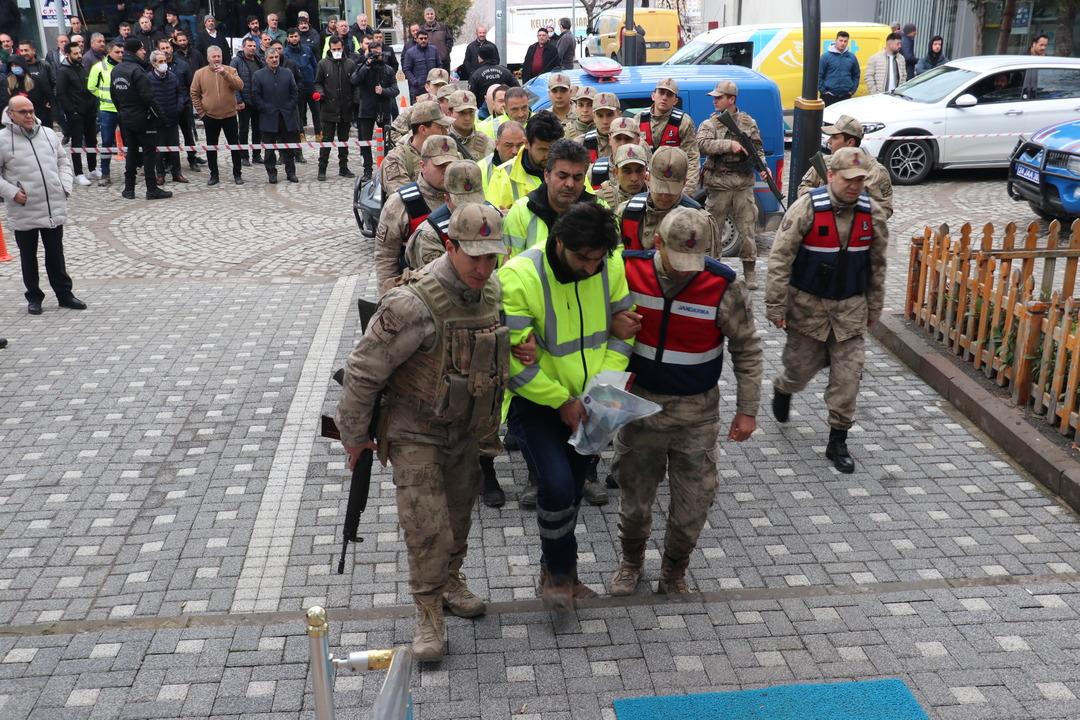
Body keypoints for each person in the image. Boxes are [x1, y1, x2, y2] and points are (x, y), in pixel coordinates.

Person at [336, 201, 508, 661]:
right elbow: (363, 371)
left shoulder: (491, 292)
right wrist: (354, 436)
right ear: (450, 246)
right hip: (416, 433)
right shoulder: (412, 302)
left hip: (465, 432)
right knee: (427, 527)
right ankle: (428, 612)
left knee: (457, 519)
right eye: (475, 256)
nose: (484, 267)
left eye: (492, 256)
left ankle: (451, 581)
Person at [611, 206, 761, 596]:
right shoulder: (626, 271)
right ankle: (631, 562)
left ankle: (675, 570)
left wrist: (748, 409)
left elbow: (747, 348)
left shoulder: (722, 284)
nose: (685, 271)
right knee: (635, 502)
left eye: (693, 261)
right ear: (656, 242)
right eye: (677, 260)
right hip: (639, 407)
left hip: (696, 414)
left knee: (693, 505)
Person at [500, 198, 633, 610]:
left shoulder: (609, 265)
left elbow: (622, 334)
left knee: (572, 491)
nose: (592, 267)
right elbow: (513, 364)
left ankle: (560, 571)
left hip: (593, 402)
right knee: (556, 485)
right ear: (559, 242)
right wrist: (560, 400)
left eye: (598, 258)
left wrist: (601, 390)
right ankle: (559, 576)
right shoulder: (519, 277)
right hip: (535, 403)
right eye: (583, 258)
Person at [766, 147, 889, 474]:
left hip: (850, 312)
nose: (854, 185)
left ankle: (838, 440)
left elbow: (877, 266)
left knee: (848, 379)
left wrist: (874, 307)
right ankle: (783, 387)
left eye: (860, 180)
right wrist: (775, 305)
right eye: (848, 179)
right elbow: (780, 259)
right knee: (798, 372)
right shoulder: (806, 208)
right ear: (831, 176)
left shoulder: (872, 214)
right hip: (807, 312)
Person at [0, 96, 85, 315]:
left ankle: (64, 295)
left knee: (56, 254)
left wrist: (64, 186)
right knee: (28, 257)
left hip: (52, 205)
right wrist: (12, 192)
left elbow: (63, 162)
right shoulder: (2, 140)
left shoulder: (48, 134)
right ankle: (34, 296)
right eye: (23, 112)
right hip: (23, 208)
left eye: (31, 110)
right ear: (11, 114)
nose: (29, 115)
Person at [698, 79, 765, 288]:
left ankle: (749, 271)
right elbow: (701, 144)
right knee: (713, 230)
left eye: (719, 98)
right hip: (718, 183)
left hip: (743, 183)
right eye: (715, 97)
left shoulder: (748, 122)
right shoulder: (711, 124)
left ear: (731, 99)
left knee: (747, 229)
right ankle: (713, 268)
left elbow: (757, 148)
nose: (714, 101)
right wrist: (729, 145)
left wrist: (763, 166)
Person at [375, 134, 460, 294]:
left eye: (451, 165)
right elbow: (385, 258)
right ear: (423, 165)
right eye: (440, 166)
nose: (447, 171)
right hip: (415, 295)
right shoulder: (400, 203)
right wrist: (388, 298)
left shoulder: (467, 197)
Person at [502, 137, 604, 258]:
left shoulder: (601, 211)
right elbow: (511, 267)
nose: (570, 184)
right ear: (546, 175)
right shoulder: (521, 212)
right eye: (562, 176)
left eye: (577, 178)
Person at [796, 114, 893, 218]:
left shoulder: (876, 171)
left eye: (835, 137)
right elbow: (802, 189)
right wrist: (825, 194)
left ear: (850, 142)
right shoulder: (824, 162)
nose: (829, 141)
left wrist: (853, 204)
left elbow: (884, 209)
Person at [111, 39, 170, 200]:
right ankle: (151, 189)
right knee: (149, 153)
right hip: (143, 118)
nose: (144, 52)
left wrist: (123, 111)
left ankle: (129, 188)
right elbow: (149, 98)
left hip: (125, 117)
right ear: (135, 51)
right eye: (142, 49)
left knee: (131, 152)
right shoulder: (138, 71)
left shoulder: (116, 70)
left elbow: (114, 96)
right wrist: (163, 118)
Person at [616, 147, 703, 253]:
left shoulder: (699, 220)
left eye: (671, 191)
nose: (664, 197)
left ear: (684, 183)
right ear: (648, 179)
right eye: (659, 189)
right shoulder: (625, 212)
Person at [486, 110, 564, 211]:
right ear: (526, 143)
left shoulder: (571, 168)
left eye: (553, 148)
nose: (548, 155)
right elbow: (491, 219)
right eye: (542, 149)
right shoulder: (503, 175)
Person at [190, 45, 245, 186]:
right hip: (210, 116)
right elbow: (194, 93)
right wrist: (201, 113)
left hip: (230, 115)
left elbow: (240, 85)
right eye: (213, 56)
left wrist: (224, 74)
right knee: (211, 147)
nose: (216, 59)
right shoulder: (200, 73)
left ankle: (237, 174)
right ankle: (214, 175)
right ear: (208, 58)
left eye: (218, 56)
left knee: (235, 146)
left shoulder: (230, 70)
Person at [633, 78, 698, 192]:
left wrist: (687, 191)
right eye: (661, 93)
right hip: (643, 185)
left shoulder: (684, 122)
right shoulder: (638, 119)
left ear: (675, 101)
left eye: (669, 95)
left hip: (672, 185)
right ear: (653, 96)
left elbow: (692, 158)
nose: (664, 97)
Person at [352, 37, 398, 182]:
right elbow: (354, 80)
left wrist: (383, 91)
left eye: (378, 53)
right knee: (364, 141)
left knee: (387, 141)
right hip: (366, 109)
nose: (376, 56)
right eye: (373, 53)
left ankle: (386, 168)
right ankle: (367, 170)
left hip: (383, 109)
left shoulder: (388, 69)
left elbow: (395, 90)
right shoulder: (363, 65)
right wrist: (367, 64)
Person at [381, 100, 449, 195]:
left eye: (446, 127)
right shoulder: (396, 158)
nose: (445, 132)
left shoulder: (450, 153)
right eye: (440, 127)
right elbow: (406, 199)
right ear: (423, 129)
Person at [252, 47, 298, 184]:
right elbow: (256, 96)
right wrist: (266, 108)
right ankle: (272, 173)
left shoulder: (287, 73)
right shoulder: (258, 75)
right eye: (271, 58)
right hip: (268, 117)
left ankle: (291, 173)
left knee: (289, 148)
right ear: (266, 59)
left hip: (286, 116)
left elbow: (294, 93)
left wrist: (289, 107)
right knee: (269, 149)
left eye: (276, 57)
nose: (274, 60)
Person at [312, 36, 356, 181]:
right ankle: (322, 169)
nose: (336, 51)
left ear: (342, 48)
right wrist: (321, 93)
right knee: (327, 140)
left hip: (345, 109)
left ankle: (343, 168)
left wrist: (354, 102)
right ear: (330, 49)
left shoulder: (350, 63)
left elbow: (355, 86)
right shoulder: (323, 64)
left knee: (344, 141)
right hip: (328, 109)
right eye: (334, 49)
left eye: (339, 49)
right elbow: (317, 82)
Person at [55, 41, 98, 187]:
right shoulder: (63, 71)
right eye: (76, 53)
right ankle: (79, 173)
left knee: (92, 140)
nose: (79, 55)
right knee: (77, 143)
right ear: (68, 55)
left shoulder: (83, 66)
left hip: (89, 110)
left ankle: (92, 168)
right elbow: (61, 94)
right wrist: (71, 111)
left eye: (80, 52)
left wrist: (93, 105)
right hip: (75, 113)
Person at [159, 37, 201, 175]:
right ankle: (167, 161)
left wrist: (184, 102)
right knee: (167, 137)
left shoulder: (182, 65)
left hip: (183, 106)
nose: (166, 51)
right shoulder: (156, 66)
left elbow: (190, 86)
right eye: (162, 48)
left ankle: (192, 159)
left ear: (172, 48)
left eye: (167, 48)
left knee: (188, 134)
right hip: (166, 108)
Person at [146, 48, 187, 185]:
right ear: (154, 64)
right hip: (157, 120)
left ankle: (177, 173)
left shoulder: (173, 76)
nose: (164, 63)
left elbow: (181, 93)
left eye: (165, 60)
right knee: (159, 149)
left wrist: (179, 108)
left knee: (174, 148)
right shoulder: (149, 79)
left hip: (173, 116)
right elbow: (148, 99)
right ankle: (160, 174)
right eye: (160, 61)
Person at [88, 42, 121, 186]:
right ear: (109, 53)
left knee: (131, 140)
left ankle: (133, 169)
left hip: (124, 109)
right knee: (106, 142)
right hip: (107, 109)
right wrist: (103, 96)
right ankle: (105, 173)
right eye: (117, 52)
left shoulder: (124, 66)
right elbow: (91, 87)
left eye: (122, 52)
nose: (120, 54)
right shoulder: (99, 67)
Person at [230, 38, 265, 165]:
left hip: (257, 101)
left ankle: (256, 155)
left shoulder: (259, 60)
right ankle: (244, 156)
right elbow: (232, 83)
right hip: (244, 102)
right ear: (243, 47)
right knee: (244, 130)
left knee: (258, 129)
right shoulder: (236, 62)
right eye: (249, 45)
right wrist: (238, 100)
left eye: (254, 46)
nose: (252, 48)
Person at [284, 27, 318, 139]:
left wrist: (316, 81)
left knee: (316, 110)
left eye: (296, 36)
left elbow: (314, 65)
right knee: (299, 111)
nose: (294, 38)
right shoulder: (285, 53)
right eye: (291, 37)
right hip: (297, 86)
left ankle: (319, 133)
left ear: (299, 37)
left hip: (310, 85)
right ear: (288, 39)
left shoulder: (307, 49)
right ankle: (300, 134)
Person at [479, 120, 524, 196]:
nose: (515, 151)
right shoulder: (480, 169)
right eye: (508, 145)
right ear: (497, 144)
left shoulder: (535, 166)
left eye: (520, 145)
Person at [16, 41, 56, 129]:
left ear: (33, 51)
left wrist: (51, 100)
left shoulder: (44, 65)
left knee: (46, 134)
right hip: (25, 109)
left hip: (44, 108)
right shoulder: (18, 67)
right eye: (21, 51)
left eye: (26, 50)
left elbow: (54, 83)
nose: (23, 53)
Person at [448, 89, 493, 160]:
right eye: (462, 112)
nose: (467, 118)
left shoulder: (487, 142)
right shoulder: (442, 140)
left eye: (471, 112)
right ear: (449, 113)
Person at [597, 143, 647, 208]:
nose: (634, 178)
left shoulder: (656, 198)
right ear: (616, 172)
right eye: (627, 172)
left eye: (639, 171)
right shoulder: (603, 197)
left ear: (646, 171)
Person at [819, 31, 860, 106]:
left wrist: (852, 90)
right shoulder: (826, 57)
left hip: (846, 96)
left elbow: (856, 75)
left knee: (844, 117)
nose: (843, 43)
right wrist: (823, 91)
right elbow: (818, 75)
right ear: (836, 41)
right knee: (828, 117)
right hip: (829, 96)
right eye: (840, 40)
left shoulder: (852, 57)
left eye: (845, 41)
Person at [469, 44, 516, 109]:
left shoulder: (476, 74)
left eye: (478, 55)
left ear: (481, 57)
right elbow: (516, 91)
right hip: (504, 109)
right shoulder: (506, 71)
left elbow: (471, 98)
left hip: (484, 113)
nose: (477, 57)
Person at [581, 91, 618, 166]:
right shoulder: (581, 144)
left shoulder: (633, 141)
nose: (605, 121)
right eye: (600, 116)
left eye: (610, 115)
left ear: (619, 114)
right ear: (594, 117)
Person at [402, 29, 441, 101]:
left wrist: (437, 79)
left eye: (425, 38)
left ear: (428, 39)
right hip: (417, 89)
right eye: (421, 38)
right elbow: (406, 69)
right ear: (416, 39)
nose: (423, 40)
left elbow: (439, 65)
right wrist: (414, 82)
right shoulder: (410, 52)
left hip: (433, 86)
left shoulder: (434, 49)